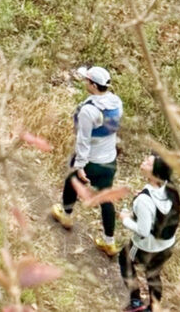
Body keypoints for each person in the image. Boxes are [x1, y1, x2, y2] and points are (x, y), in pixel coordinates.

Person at [50, 65, 124, 256]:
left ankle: (66, 215)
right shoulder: (116, 103)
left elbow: (83, 140)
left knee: (72, 180)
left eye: (87, 80)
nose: (85, 82)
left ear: (93, 85)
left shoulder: (89, 111)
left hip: (92, 159)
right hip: (109, 159)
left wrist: (80, 165)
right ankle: (109, 242)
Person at [119, 154, 180, 312]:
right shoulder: (170, 188)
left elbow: (143, 231)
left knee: (125, 260)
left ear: (155, 173)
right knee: (153, 274)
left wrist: (125, 219)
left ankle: (136, 301)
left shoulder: (144, 200)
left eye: (149, 162)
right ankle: (154, 307)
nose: (144, 160)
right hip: (167, 245)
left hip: (147, 247)